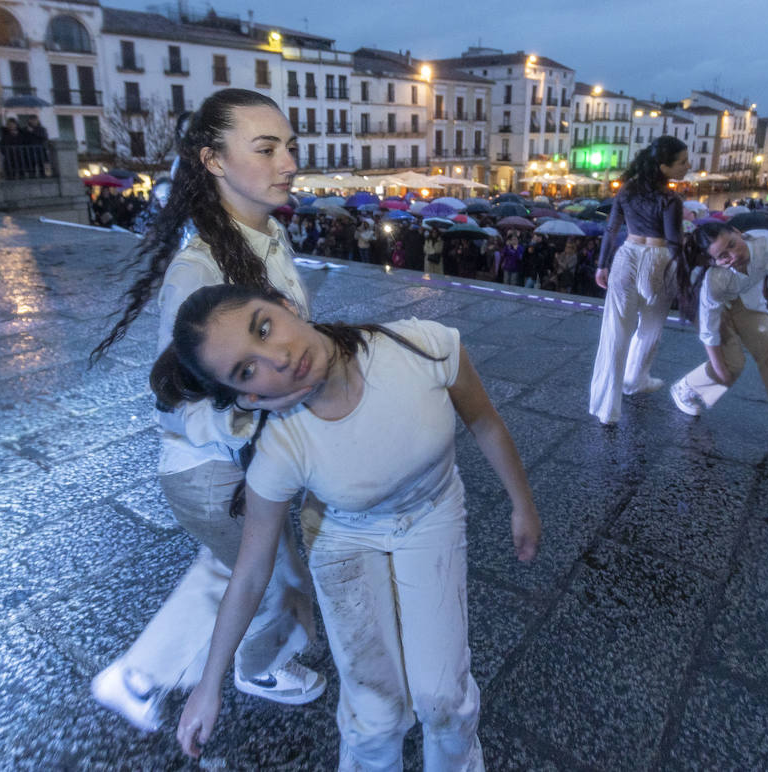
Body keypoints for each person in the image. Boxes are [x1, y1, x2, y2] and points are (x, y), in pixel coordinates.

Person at [165, 284, 540, 768]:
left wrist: (522, 504)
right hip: (344, 537)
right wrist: (209, 685)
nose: (277, 357)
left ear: (287, 306)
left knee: (442, 697)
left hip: (432, 515)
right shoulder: (282, 447)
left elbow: (485, 420)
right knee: (375, 711)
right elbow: (253, 570)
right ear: (250, 396)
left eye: (263, 326)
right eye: (247, 369)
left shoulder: (421, 346)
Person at [87, 89, 325, 731]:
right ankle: (254, 669)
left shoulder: (268, 236)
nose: (288, 163)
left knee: (229, 568)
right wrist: (256, 415)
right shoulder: (200, 270)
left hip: (246, 464)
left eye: (291, 147)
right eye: (267, 148)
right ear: (213, 161)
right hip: (212, 470)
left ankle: (135, 677)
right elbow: (173, 400)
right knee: (274, 581)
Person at [670, 221, 768, 436]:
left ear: (738, 232)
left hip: (747, 300)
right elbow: (709, 330)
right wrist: (720, 370)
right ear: (713, 261)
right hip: (713, 306)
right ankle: (685, 388)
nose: (733, 256)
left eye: (732, 244)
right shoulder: (714, 278)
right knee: (732, 365)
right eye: (723, 256)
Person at [588, 136, 690, 425]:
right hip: (658, 260)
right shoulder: (671, 200)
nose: (688, 166)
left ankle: (607, 408)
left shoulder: (627, 191)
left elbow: (611, 228)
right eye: (682, 162)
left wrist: (601, 265)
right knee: (651, 327)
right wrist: (684, 276)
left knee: (615, 332)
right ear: (663, 167)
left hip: (626, 256)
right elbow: (673, 243)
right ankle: (635, 379)